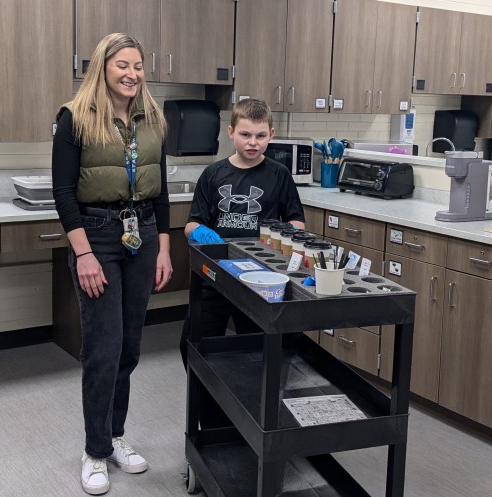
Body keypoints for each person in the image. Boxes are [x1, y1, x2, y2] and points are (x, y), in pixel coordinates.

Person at [52, 33, 173, 496]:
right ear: (103, 67)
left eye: (139, 65)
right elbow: (65, 193)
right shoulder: (75, 118)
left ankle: (115, 435)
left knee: (128, 347)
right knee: (102, 349)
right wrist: (83, 253)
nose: (132, 73)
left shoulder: (152, 118)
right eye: (122, 64)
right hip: (97, 236)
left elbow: (159, 190)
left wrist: (163, 246)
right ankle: (94, 451)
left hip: (141, 235)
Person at [180, 98, 305, 372]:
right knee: (194, 343)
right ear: (231, 132)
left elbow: (296, 221)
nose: (253, 142)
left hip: (262, 276)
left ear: (271, 134)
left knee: (256, 348)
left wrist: (286, 238)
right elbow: (191, 224)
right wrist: (202, 232)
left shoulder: (279, 174)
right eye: (245, 134)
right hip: (217, 272)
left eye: (261, 136)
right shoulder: (214, 173)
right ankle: (208, 407)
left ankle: (246, 405)